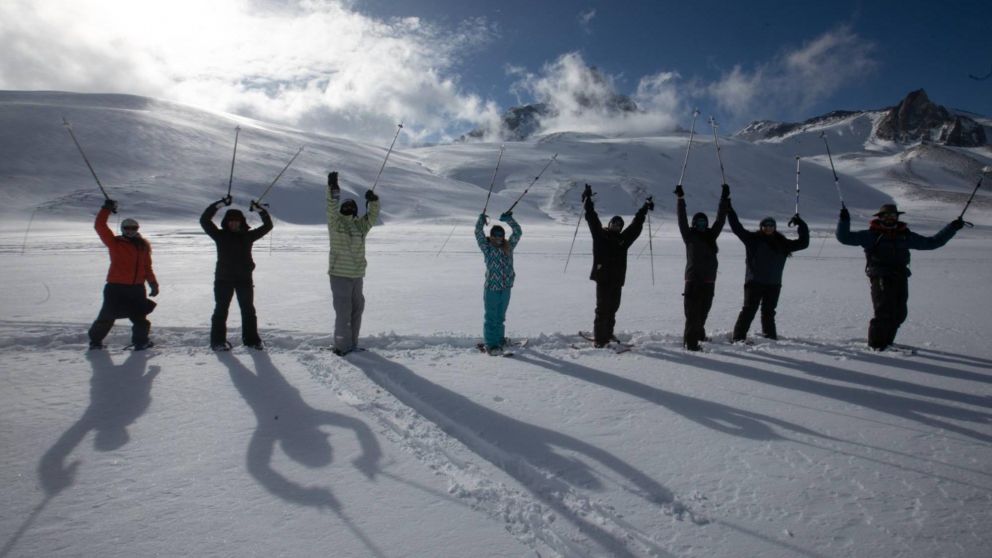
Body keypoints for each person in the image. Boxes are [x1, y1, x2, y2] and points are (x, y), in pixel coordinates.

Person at [836, 203, 963, 351]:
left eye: (892, 215)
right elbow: (844, 238)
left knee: (899, 313)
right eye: (886, 216)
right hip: (880, 276)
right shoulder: (871, 235)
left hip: (900, 276)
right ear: (880, 217)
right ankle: (877, 346)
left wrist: (952, 228)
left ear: (897, 217)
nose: (889, 218)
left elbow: (932, 243)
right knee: (883, 312)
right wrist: (844, 221)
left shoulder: (904, 235)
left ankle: (887, 343)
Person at [582, 184, 653, 347]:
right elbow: (592, 219)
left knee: (613, 308)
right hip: (603, 279)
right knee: (602, 309)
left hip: (617, 280)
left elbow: (635, 226)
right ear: (610, 224)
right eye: (614, 223)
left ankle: (608, 334)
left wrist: (644, 209)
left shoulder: (623, 240)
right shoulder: (601, 236)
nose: (617, 226)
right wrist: (587, 201)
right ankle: (600, 340)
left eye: (619, 225)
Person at [200, 195, 273, 350]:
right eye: (231, 220)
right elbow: (204, 220)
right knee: (221, 310)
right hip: (223, 280)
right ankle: (218, 342)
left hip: (244, 280)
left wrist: (261, 211)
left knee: (248, 310)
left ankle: (252, 341)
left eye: (237, 220)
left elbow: (268, 226)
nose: (234, 223)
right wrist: (218, 205)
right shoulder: (219, 235)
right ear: (226, 222)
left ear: (242, 222)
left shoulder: (248, 236)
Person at [726, 205, 809, 342]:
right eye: (765, 225)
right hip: (754, 282)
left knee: (769, 313)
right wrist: (729, 210)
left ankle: (770, 338)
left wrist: (801, 224)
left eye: (771, 225)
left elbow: (804, 243)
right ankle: (738, 337)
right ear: (761, 227)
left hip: (774, 284)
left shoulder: (782, 243)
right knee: (749, 310)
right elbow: (737, 228)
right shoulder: (752, 240)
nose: (768, 227)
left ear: (775, 227)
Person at [87, 199, 159, 350]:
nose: (130, 230)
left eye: (133, 228)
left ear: (137, 229)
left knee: (140, 318)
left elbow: (147, 267)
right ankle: (95, 341)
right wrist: (106, 209)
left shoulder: (143, 246)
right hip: (115, 287)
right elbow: (99, 226)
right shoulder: (115, 243)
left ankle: (141, 342)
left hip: (137, 288)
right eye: (127, 228)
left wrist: (153, 283)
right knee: (107, 316)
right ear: (122, 229)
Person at [326, 171, 380, 356]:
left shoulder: (360, 226)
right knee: (343, 311)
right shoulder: (335, 223)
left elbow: (372, 217)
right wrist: (333, 189)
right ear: (342, 209)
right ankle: (341, 347)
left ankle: (352, 344)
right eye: (346, 205)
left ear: (356, 210)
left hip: (357, 275)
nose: (348, 207)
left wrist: (373, 201)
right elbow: (331, 207)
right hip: (340, 275)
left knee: (357, 309)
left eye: (352, 206)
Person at [676, 184, 729, 351]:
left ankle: (699, 334)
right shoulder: (689, 236)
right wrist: (680, 199)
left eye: (703, 222)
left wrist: (724, 200)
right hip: (693, 280)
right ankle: (691, 344)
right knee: (692, 314)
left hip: (708, 281)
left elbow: (720, 220)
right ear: (694, 224)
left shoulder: (710, 236)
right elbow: (681, 219)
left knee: (703, 312)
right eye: (698, 222)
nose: (701, 224)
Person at [475, 211, 522, 355]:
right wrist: (481, 221)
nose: (497, 238)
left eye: (500, 235)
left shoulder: (509, 247)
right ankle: (491, 345)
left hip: (506, 288)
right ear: (491, 235)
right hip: (492, 289)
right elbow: (478, 233)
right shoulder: (487, 248)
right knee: (491, 317)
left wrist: (509, 219)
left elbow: (518, 232)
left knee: (500, 316)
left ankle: (500, 339)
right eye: (495, 235)